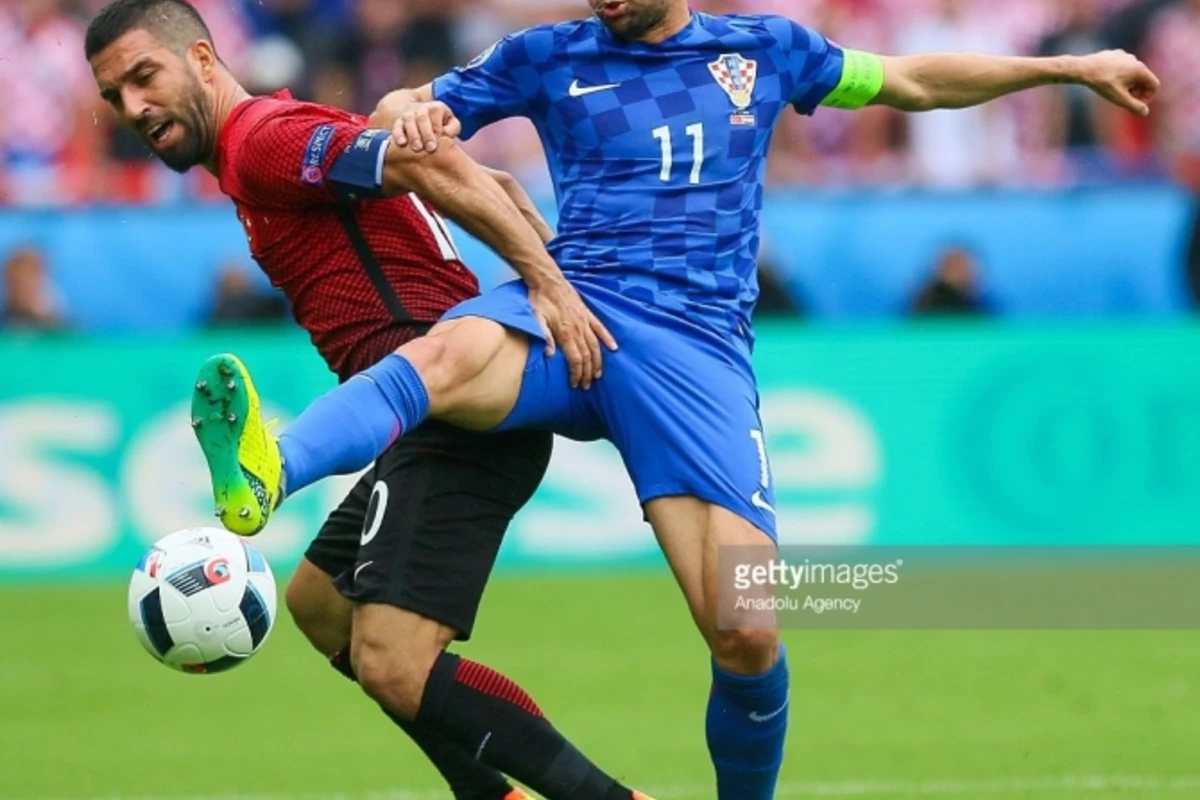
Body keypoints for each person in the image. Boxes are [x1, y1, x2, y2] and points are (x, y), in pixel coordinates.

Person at [180, 1, 1161, 797]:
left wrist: (1068, 71)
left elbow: (905, 80)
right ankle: (272, 463)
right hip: (574, 314)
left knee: (745, 622)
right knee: (448, 352)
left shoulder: (766, 49)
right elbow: (401, 107)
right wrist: (417, 113)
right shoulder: (547, 54)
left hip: (694, 354)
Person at [84, 2, 651, 799]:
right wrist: (539, 266)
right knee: (321, 605)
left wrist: (551, 289)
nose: (133, 108)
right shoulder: (265, 143)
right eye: (114, 96)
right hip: (429, 411)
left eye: (144, 77)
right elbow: (482, 178)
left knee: (391, 661)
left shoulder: (263, 142)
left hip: (448, 409)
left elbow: (423, 166)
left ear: (205, 61)